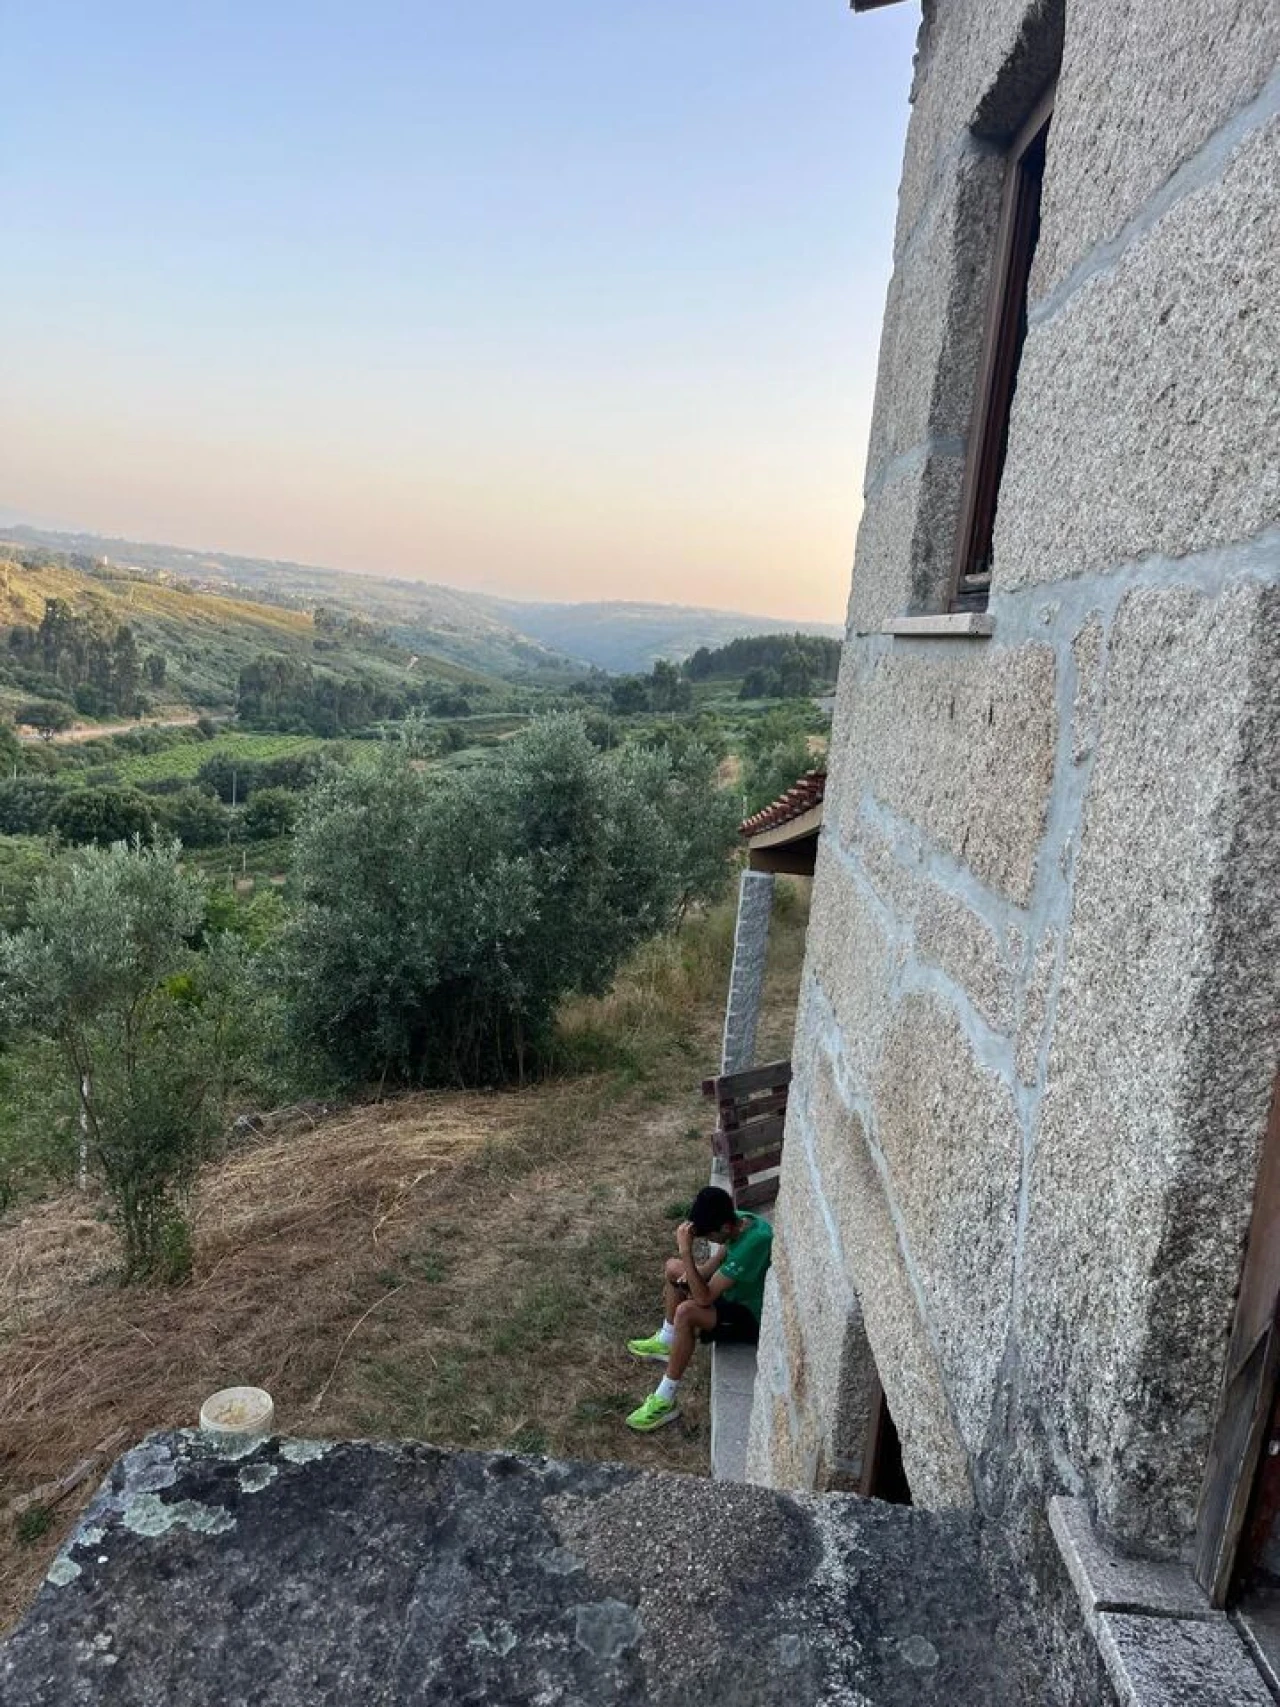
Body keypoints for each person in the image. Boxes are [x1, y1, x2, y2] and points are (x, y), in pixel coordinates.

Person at [624, 1184, 773, 1433]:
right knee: (674, 1268)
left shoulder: (755, 1243)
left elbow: (704, 1299)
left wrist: (686, 1252)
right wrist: (684, 1275)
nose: (709, 1241)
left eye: (709, 1237)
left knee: (687, 1312)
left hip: (749, 1316)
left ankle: (664, 1400)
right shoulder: (742, 1221)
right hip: (730, 1294)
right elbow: (708, 1270)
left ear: (724, 1227)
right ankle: (668, 1340)